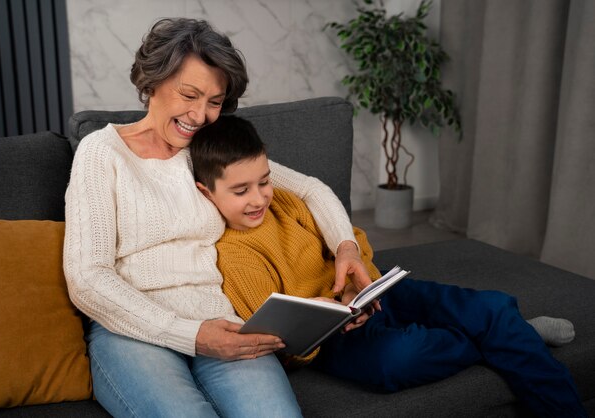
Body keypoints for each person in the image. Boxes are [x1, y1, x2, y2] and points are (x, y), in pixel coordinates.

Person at [63, 18, 373, 418]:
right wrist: (191, 335)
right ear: (151, 82)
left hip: (222, 321)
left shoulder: (205, 151)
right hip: (130, 330)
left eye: (214, 101)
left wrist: (346, 247)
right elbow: (87, 278)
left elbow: (311, 189)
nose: (200, 115)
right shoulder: (102, 152)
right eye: (189, 95)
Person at [190, 115, 586, 418]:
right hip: (335, 339)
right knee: (395, 363)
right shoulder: (234, 254)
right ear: (206, 192)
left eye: (264, 181)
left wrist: (355, 286)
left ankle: (519, 349)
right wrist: (333, 315)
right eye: (241, 191)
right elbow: (283, 338)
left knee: (487, 306)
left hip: (371, 292)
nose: (259, 198)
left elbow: (355, 239)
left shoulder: (289, 203)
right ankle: (513, 336)